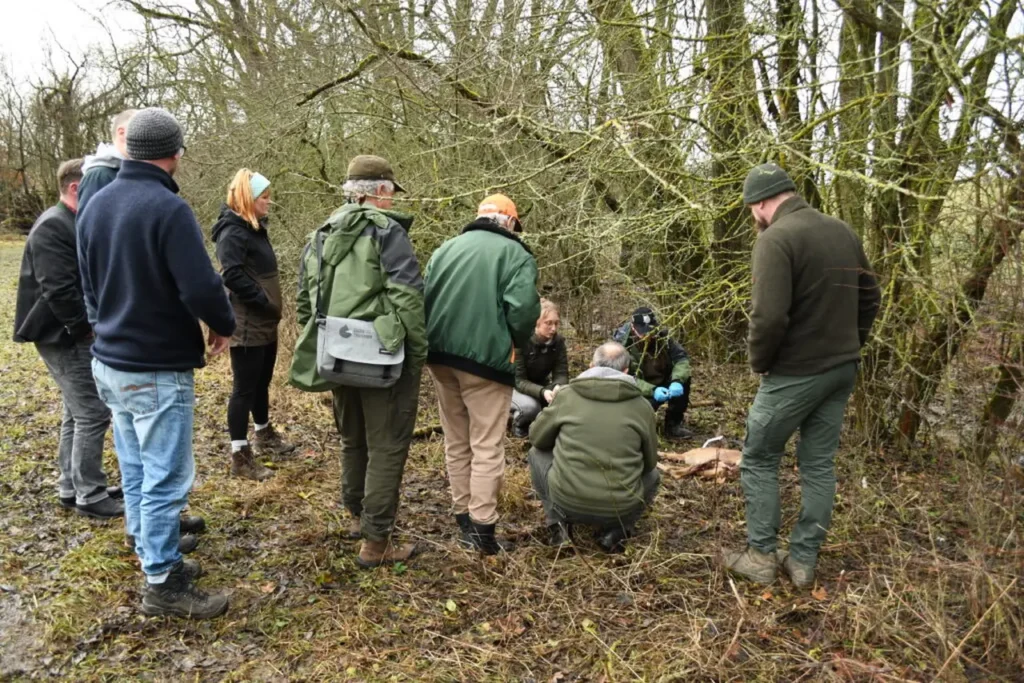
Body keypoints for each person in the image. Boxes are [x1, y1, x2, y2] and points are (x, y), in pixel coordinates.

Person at [78, 107, 236, 619]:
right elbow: (201, 286)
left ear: (129, 149)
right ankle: (162, 582)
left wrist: (106, 328)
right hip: (153, 367)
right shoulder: (168, 210)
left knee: (135, 466)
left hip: (109, 361)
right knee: (166, 476)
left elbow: (88, 284)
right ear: (176, 154)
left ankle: (150, 551)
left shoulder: (96, 203)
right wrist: (224, 325)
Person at [722, 163, 881, 589]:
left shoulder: (776, 239)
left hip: (796, 372)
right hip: (841, 369)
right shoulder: (842, 231)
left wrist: (761, 363)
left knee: (758, 456)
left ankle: (760, 554)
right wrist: (852, 344)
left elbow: (768, 316)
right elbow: (871, 298)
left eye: (750, 209)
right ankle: (803, 561)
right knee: (817, 464)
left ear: (759, 203)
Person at [290, 155, 427, 569]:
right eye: (391, 194)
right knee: (387, 447)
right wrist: (416, 354)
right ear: (380, 193)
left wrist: (326, 344)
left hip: (336, 355)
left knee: (353, 439)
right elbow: (407, 297)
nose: (391, 202)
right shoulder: (388, 233)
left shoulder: (319, 235)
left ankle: (356, 517)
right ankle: (376, 541)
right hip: (383, 359)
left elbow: (304, 305)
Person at [425, 194, 540, 554]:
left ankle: (463, 516)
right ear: (508, 221)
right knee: (487, 444)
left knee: (456, 440)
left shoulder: (445, 249)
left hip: (440, 357)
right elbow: (522, 312)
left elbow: (423, 295)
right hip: (487, 363)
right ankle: (482, 530)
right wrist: (518, 344)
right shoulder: (516, 255)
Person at [13, 159, 123, 519]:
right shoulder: (53, 227)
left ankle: (70, 484)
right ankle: (89, 494)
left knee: (75, 413)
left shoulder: (71, 223)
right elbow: (58, 290)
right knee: (92, 411)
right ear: (76, 188)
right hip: (61, 335)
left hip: (69, 332)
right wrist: (85, 329)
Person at [528, 342, 660, 553]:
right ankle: (618, 531)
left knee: (536, 454)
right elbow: (650, 463)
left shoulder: (566, 396)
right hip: (619, 507)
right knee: (654, 475)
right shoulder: (642, 407)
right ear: (626, 371)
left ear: (591, 365)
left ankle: (558, 525)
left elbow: (536, 438)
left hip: (566, 500)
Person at [212, 169, 293, 481]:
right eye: (264, 197)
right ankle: (240, 455)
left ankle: (264, 433)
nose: (268, 202)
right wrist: (261, 299)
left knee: (262, 382)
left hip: (265, 321)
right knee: (243, 389)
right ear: (248, 199)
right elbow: (230, 274)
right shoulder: (232, 232)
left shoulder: (254, 228)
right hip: (247, 323)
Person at [613, 306, 693, 439]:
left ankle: (673, 425)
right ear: (633, 327)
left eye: (650, 331)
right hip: (640, 389)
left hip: (665, 383)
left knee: (685, 380)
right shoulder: (621, 345)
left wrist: (677, 381)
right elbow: (622, 378)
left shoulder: (664, 337)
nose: (647, 335)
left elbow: (681, 360)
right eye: (643, 332)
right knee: (639, 420)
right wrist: (652, 390)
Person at [510, 298, 569, 438]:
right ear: (536, 323)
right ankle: (517, 422)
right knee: (531, 408)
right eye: (548, 323)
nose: (553, 328)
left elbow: (561, 373)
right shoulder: (521, 341)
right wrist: (542, 392)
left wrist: (558, 387)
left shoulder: (558, 342)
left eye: (556, 323)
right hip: (512, 387)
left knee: (566, 400)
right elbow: (519, 381)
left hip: (539, 385)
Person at [77, 108, 136, 215]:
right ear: (122, 133)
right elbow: (89, 226)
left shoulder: (134, 171)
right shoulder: (98, 176)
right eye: (140, 129)